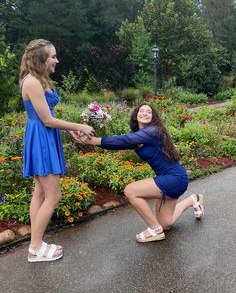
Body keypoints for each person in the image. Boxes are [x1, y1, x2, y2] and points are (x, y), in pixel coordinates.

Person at [72, 103, 204, 243]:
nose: (145, 113)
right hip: (168, 179)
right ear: (136, 115)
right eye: (142, 111)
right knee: (166, 223)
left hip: (174, 178)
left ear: (153, 117)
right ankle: (193, 200)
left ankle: (154, 230)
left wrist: (92, 141)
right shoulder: (140, 136)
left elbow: (124, 140)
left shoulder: (154, 131)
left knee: (130, 190)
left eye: (149, 112)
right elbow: (119, 143)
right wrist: (85, 137)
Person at [19, 39, 94, 262]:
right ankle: (34, 248)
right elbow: (47, 120)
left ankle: (37, 243)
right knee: (53, 196)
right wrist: (78, 126)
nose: (56, 60)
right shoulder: (32, 82)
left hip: (44, 136)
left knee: (40, 193)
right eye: (53, 56)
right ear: (40, 59)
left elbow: (48, 119)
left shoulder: (39, 79)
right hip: (42, 140)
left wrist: (68, 131)